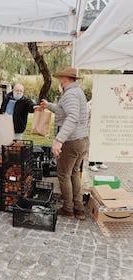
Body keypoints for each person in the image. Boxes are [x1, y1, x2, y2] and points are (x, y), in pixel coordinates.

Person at [39, 67, 89, 220]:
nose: (60, 82)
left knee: (63, 175)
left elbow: (72, 117)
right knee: (74, 173)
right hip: (82, 140)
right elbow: (64, 111)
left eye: (60, 79)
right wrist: (49, 106)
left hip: (71, 142)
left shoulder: (70, 94)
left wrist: (59, 140)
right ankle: (79, 208)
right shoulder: (77, 92)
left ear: (65, 79)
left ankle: (68, 209)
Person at [87, 99, 108, 172]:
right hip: (92, 127)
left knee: (100, 145)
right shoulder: (90, 104)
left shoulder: (103, 103)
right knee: (92, 146)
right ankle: (91, 164)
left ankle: (99, 162)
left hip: (101, 127)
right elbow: (86, 116)